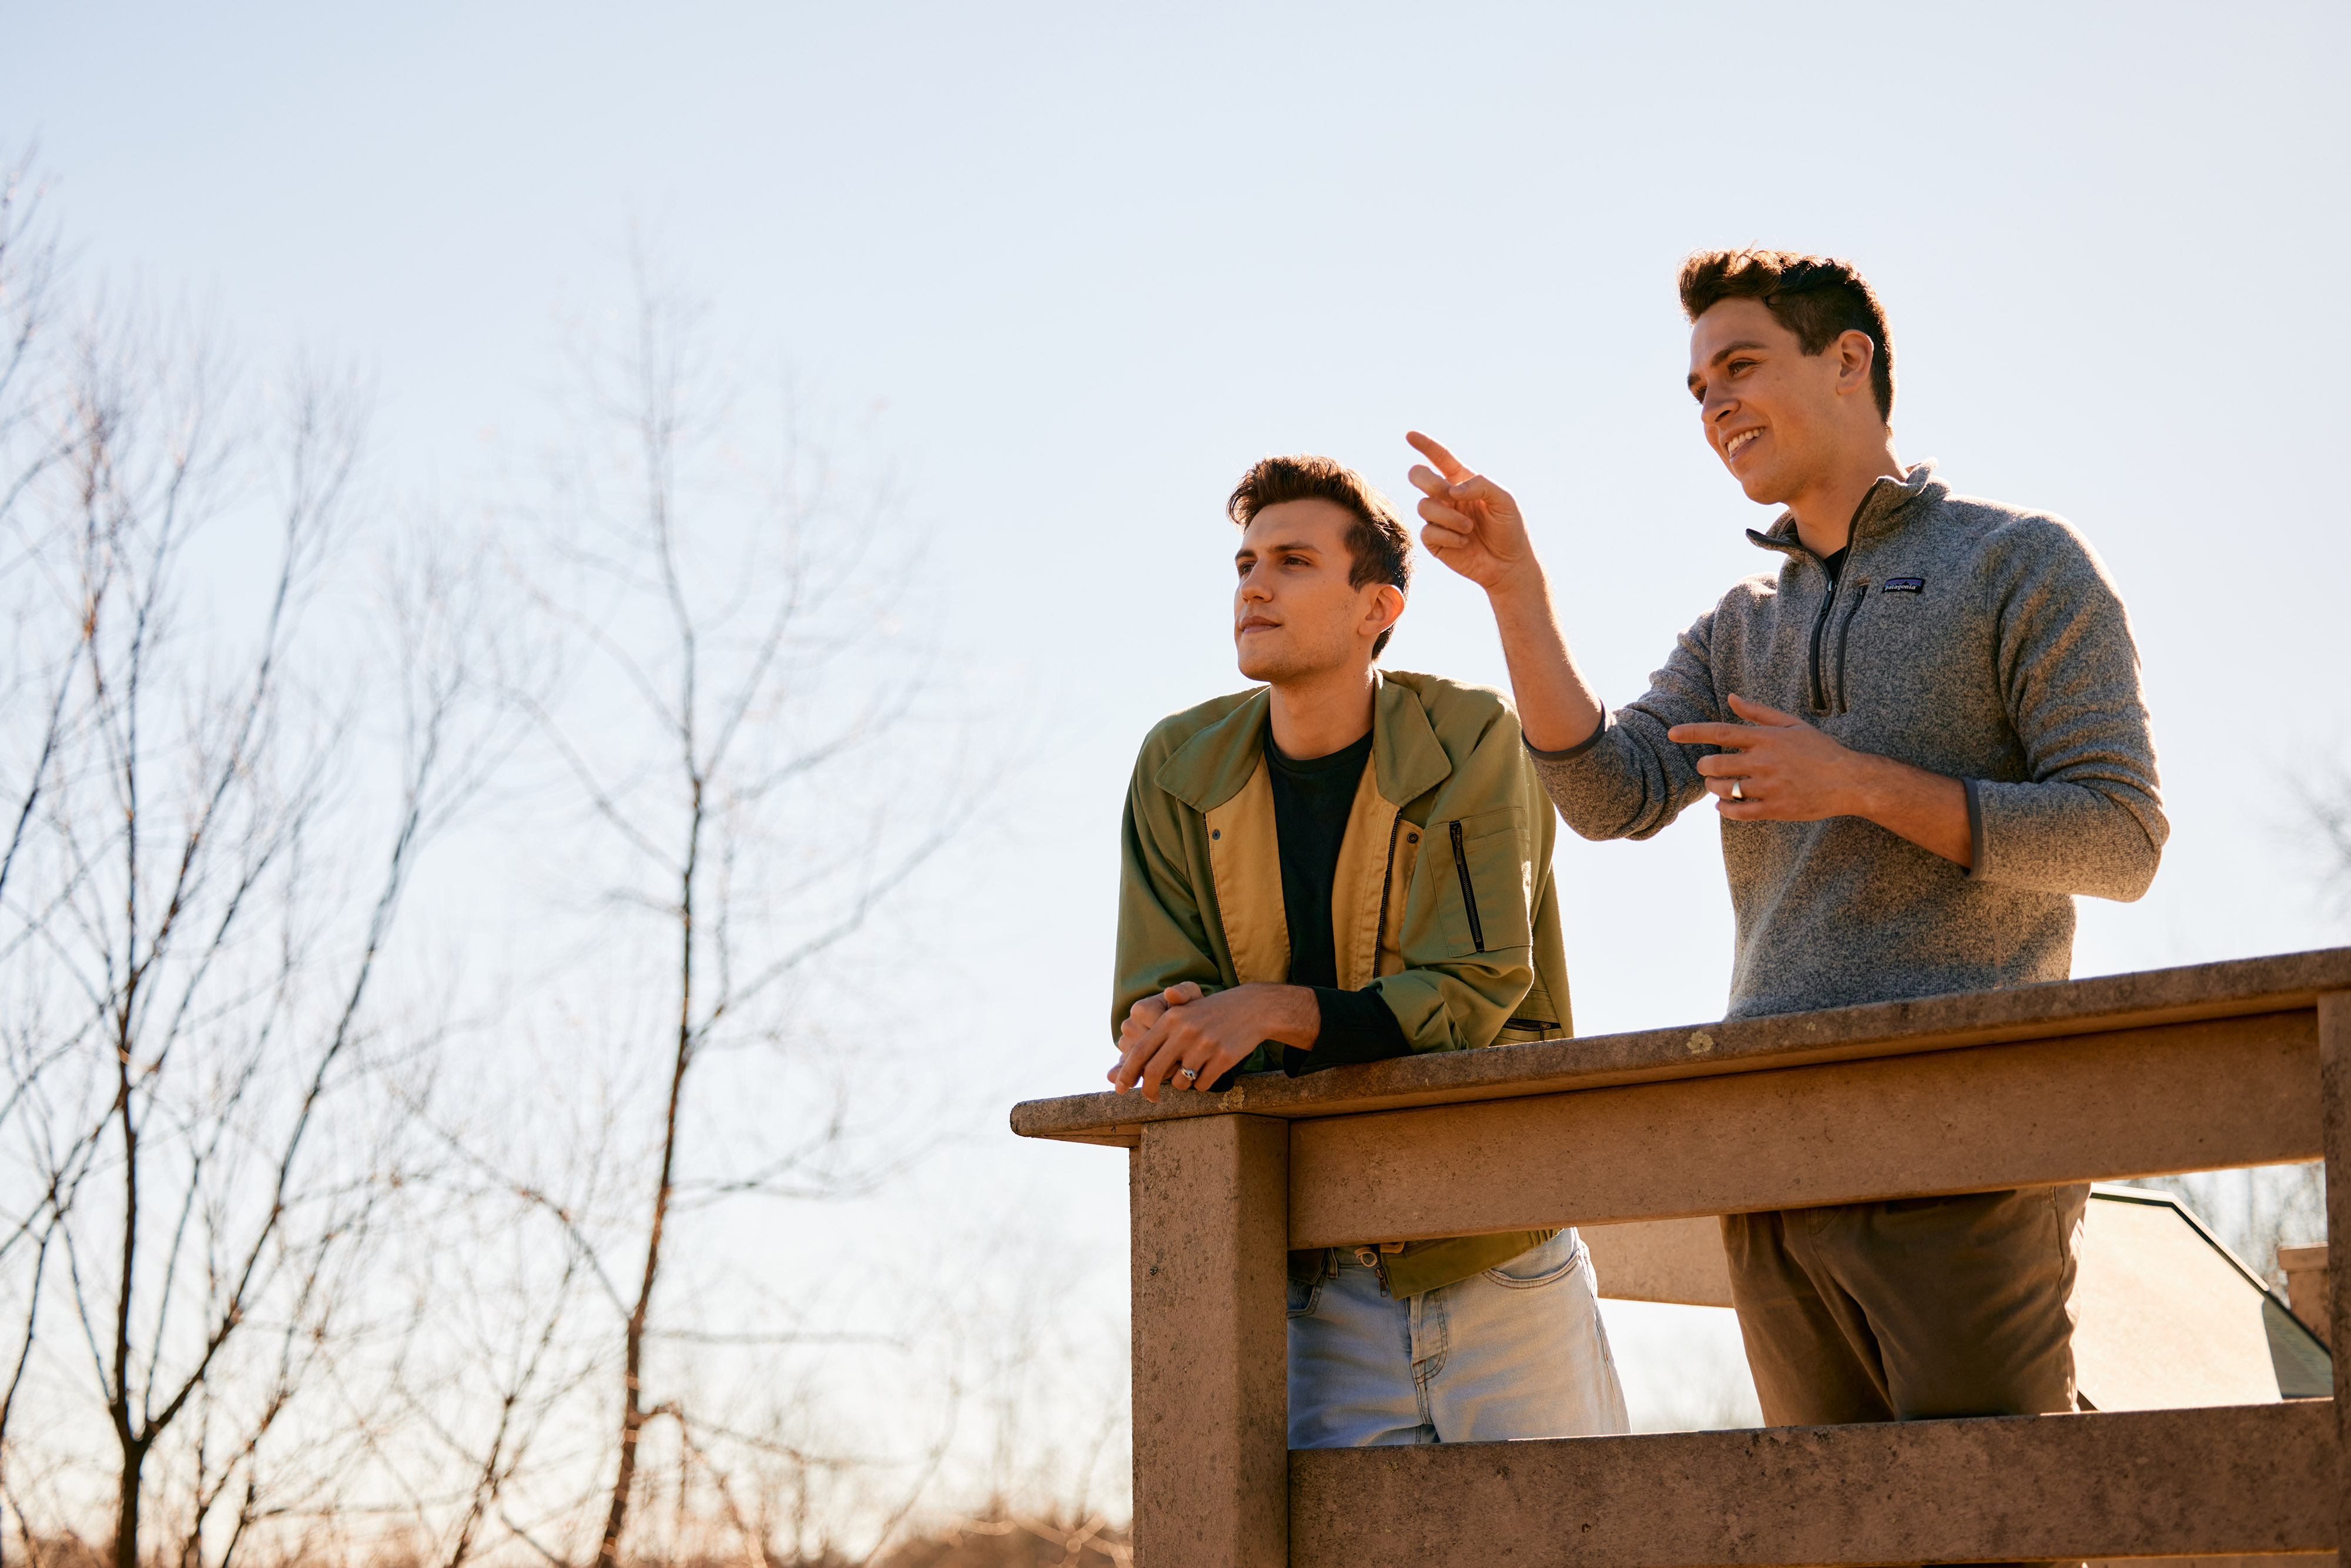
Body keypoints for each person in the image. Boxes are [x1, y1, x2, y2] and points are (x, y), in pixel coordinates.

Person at [1406, 249, 2166, 1428]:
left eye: (1741, 366)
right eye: (1698, 386)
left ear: (1846, 361)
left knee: (1996, 1522)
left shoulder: (2018, 564)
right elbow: (1611, 792)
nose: (1713, 406)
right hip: (1767, 1144)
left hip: (1962, 1136)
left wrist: (1859, 783)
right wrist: (1514, 590)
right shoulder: (1736, 625)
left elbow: (2119, 837)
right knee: (1828, 1534)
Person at [1107, 453, 1629, 1448]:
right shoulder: (1176, 765)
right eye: (1245, 561)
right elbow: (1158, 1002)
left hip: (1498, 1252)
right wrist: (1161, 1022)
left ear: (1375, 606)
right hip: (1307, 1274)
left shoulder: (1472, 734)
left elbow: (1472, 992)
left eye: (1293, 561)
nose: (1253, 584)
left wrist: (1265, 1009)